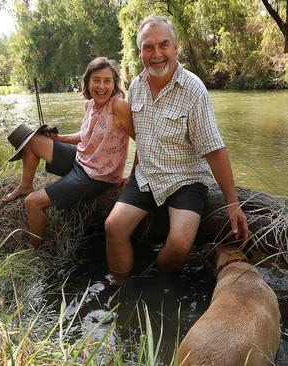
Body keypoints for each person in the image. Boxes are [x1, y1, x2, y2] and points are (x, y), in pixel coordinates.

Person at [104, 15, 249, 276]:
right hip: (146, 175)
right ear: (140, 53)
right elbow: (144, 136)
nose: (156, 53)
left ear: (176, 48)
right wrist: (133, 172)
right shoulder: (136, 86)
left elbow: (214, 150)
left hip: (187, 178)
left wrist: (232, 202)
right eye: (148, 47)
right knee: (113, 227)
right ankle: (123, 289)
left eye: (164, 45)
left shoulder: (194, 90)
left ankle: (157, 281)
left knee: (180, 244)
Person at [3, 57, 134, 249]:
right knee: (33, 140)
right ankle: (25, 185)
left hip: (97, 176)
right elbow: (86, 134)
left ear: (114, 84)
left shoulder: (118, 106)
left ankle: (34, 251)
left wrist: (133, 175)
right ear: (87, 82)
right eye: (96, 80)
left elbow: (141, 139)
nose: (101, 86)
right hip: (80, 159)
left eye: (107, 81)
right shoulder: (89, 105)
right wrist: (59, 138)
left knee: (33, 203)